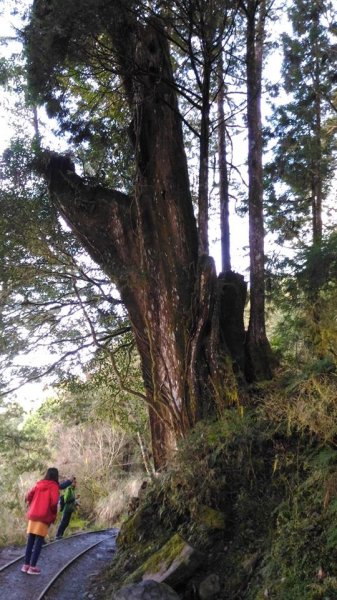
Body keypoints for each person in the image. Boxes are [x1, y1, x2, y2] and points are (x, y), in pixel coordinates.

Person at [21, 467, 60, 575]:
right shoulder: (54, 487)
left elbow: (29, 495)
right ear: (56, 476)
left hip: (33, 514)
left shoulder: (39, 484)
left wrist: (32, 504)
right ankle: (32, 567)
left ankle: (25, 566)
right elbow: (54, 503)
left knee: (30, 540)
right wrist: (52, 514)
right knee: (38, 542)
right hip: (43, 516)